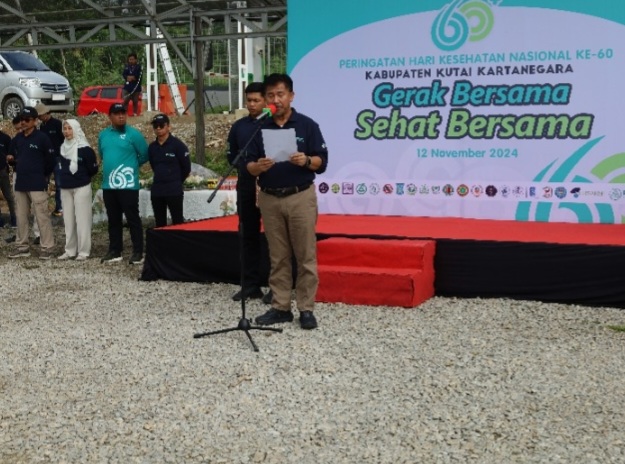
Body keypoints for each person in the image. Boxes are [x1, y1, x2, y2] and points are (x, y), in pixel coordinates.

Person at [247, 73, 328, 330]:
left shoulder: (307, 125)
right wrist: (258, 167)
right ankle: (281, 307)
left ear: (291, 96)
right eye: (270, 95)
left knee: (305, 254)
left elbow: (322, 162)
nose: (276, 100)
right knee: (278, 255)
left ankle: (306, 308)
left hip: (300, 196)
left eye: (280, 94)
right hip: (270, 198)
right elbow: (248, 165)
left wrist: (306, 160)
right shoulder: (260, 127)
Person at [226, 82, 273, 303]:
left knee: (274, 236)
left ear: (265, 101)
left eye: (256, 100)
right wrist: (245, 166)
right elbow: (231, 154)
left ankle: (277, 286)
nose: (252, 104)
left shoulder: (273, 124)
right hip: (246, 184)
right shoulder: (239, 126)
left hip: (270, 184)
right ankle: (250, 284)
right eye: (249, 100)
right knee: (247, 234)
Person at [98, 103, 149, 264]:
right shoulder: (103, 135)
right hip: (109, 185)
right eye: (117, 113)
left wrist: (132, 165)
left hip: (127, 185)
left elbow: (144, 154)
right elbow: (102, 154)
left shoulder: (133, 134)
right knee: (113, 219)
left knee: (132, 218)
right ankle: (115, 250)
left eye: (123, 113)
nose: (121, 116)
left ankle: (138, 251)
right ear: (110, 116)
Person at [6, 106, 56, 259]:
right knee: (21, 216)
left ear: (35, 121)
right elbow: (13, 157)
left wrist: (43, 175)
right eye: (22, 119)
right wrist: (11, 160)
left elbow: (50, 160)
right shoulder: (18, 139)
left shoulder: (42, 138)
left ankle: (47, 247)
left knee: (41, 215)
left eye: (27, 120)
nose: (23, 122)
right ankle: (22, 247)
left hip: (37, 182)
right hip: (21, 182)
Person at [57, 119, 99, 261]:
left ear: (76, 129)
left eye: (70, 128)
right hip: (65, 187)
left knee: (82, 220)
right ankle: (70, 250)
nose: (67, 131)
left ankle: (83, 251)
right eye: (65, 128)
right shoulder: (63, 148)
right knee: (68, 220)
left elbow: (93, 169)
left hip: (81, 186)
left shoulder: (86, 150)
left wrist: (81, 177)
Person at [147, 114, 191, 227]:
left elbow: (186, 168)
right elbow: (153, 165)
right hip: (157, 190)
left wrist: (176, 181)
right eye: (155, 126)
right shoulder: (152, 147)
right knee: (160, 223)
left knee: (177, 222)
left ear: (168, 127)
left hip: (173, 190)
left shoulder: (178, 145)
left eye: (161, 125)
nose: (158, 128)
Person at [35, 103, 64, 216]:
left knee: (59, 183)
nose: (39, 118)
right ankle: (42, 207)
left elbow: (64, 140)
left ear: (46, 113)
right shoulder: (41, 127)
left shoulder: (57, 124)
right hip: (45, 159)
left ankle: (59, 208)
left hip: (57, 158)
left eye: (40, 116)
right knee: (43, 183)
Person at [0, 126, 16, 229]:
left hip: (2, 172)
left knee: (9, 196)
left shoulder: (5, 138)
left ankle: (14, 219)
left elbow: (11, 155)